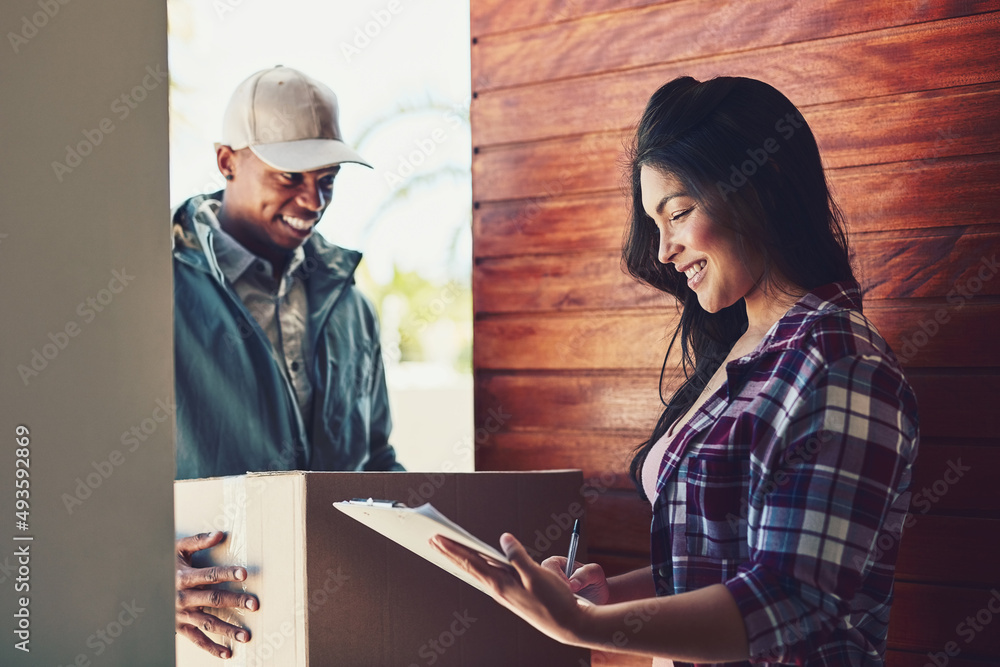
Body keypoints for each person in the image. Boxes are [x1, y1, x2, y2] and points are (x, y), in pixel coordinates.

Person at [433, 76, 919, 665]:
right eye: (654, 224)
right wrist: (604, 604)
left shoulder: (842, 362)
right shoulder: (737, 353)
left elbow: (793, 597)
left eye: (679, 213)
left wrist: (580, 630)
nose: (663, 250)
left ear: (758, 191)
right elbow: (715, 565)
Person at [171, 66, 404, 658]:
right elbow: (71, 473)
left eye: (327, 180)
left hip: (346, 627)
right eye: (289, 176)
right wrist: (132, 565)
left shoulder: (351, 306)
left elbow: (377, 461)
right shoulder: (151, 290)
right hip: (210, 637)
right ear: (227, 161)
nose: (313, 201)